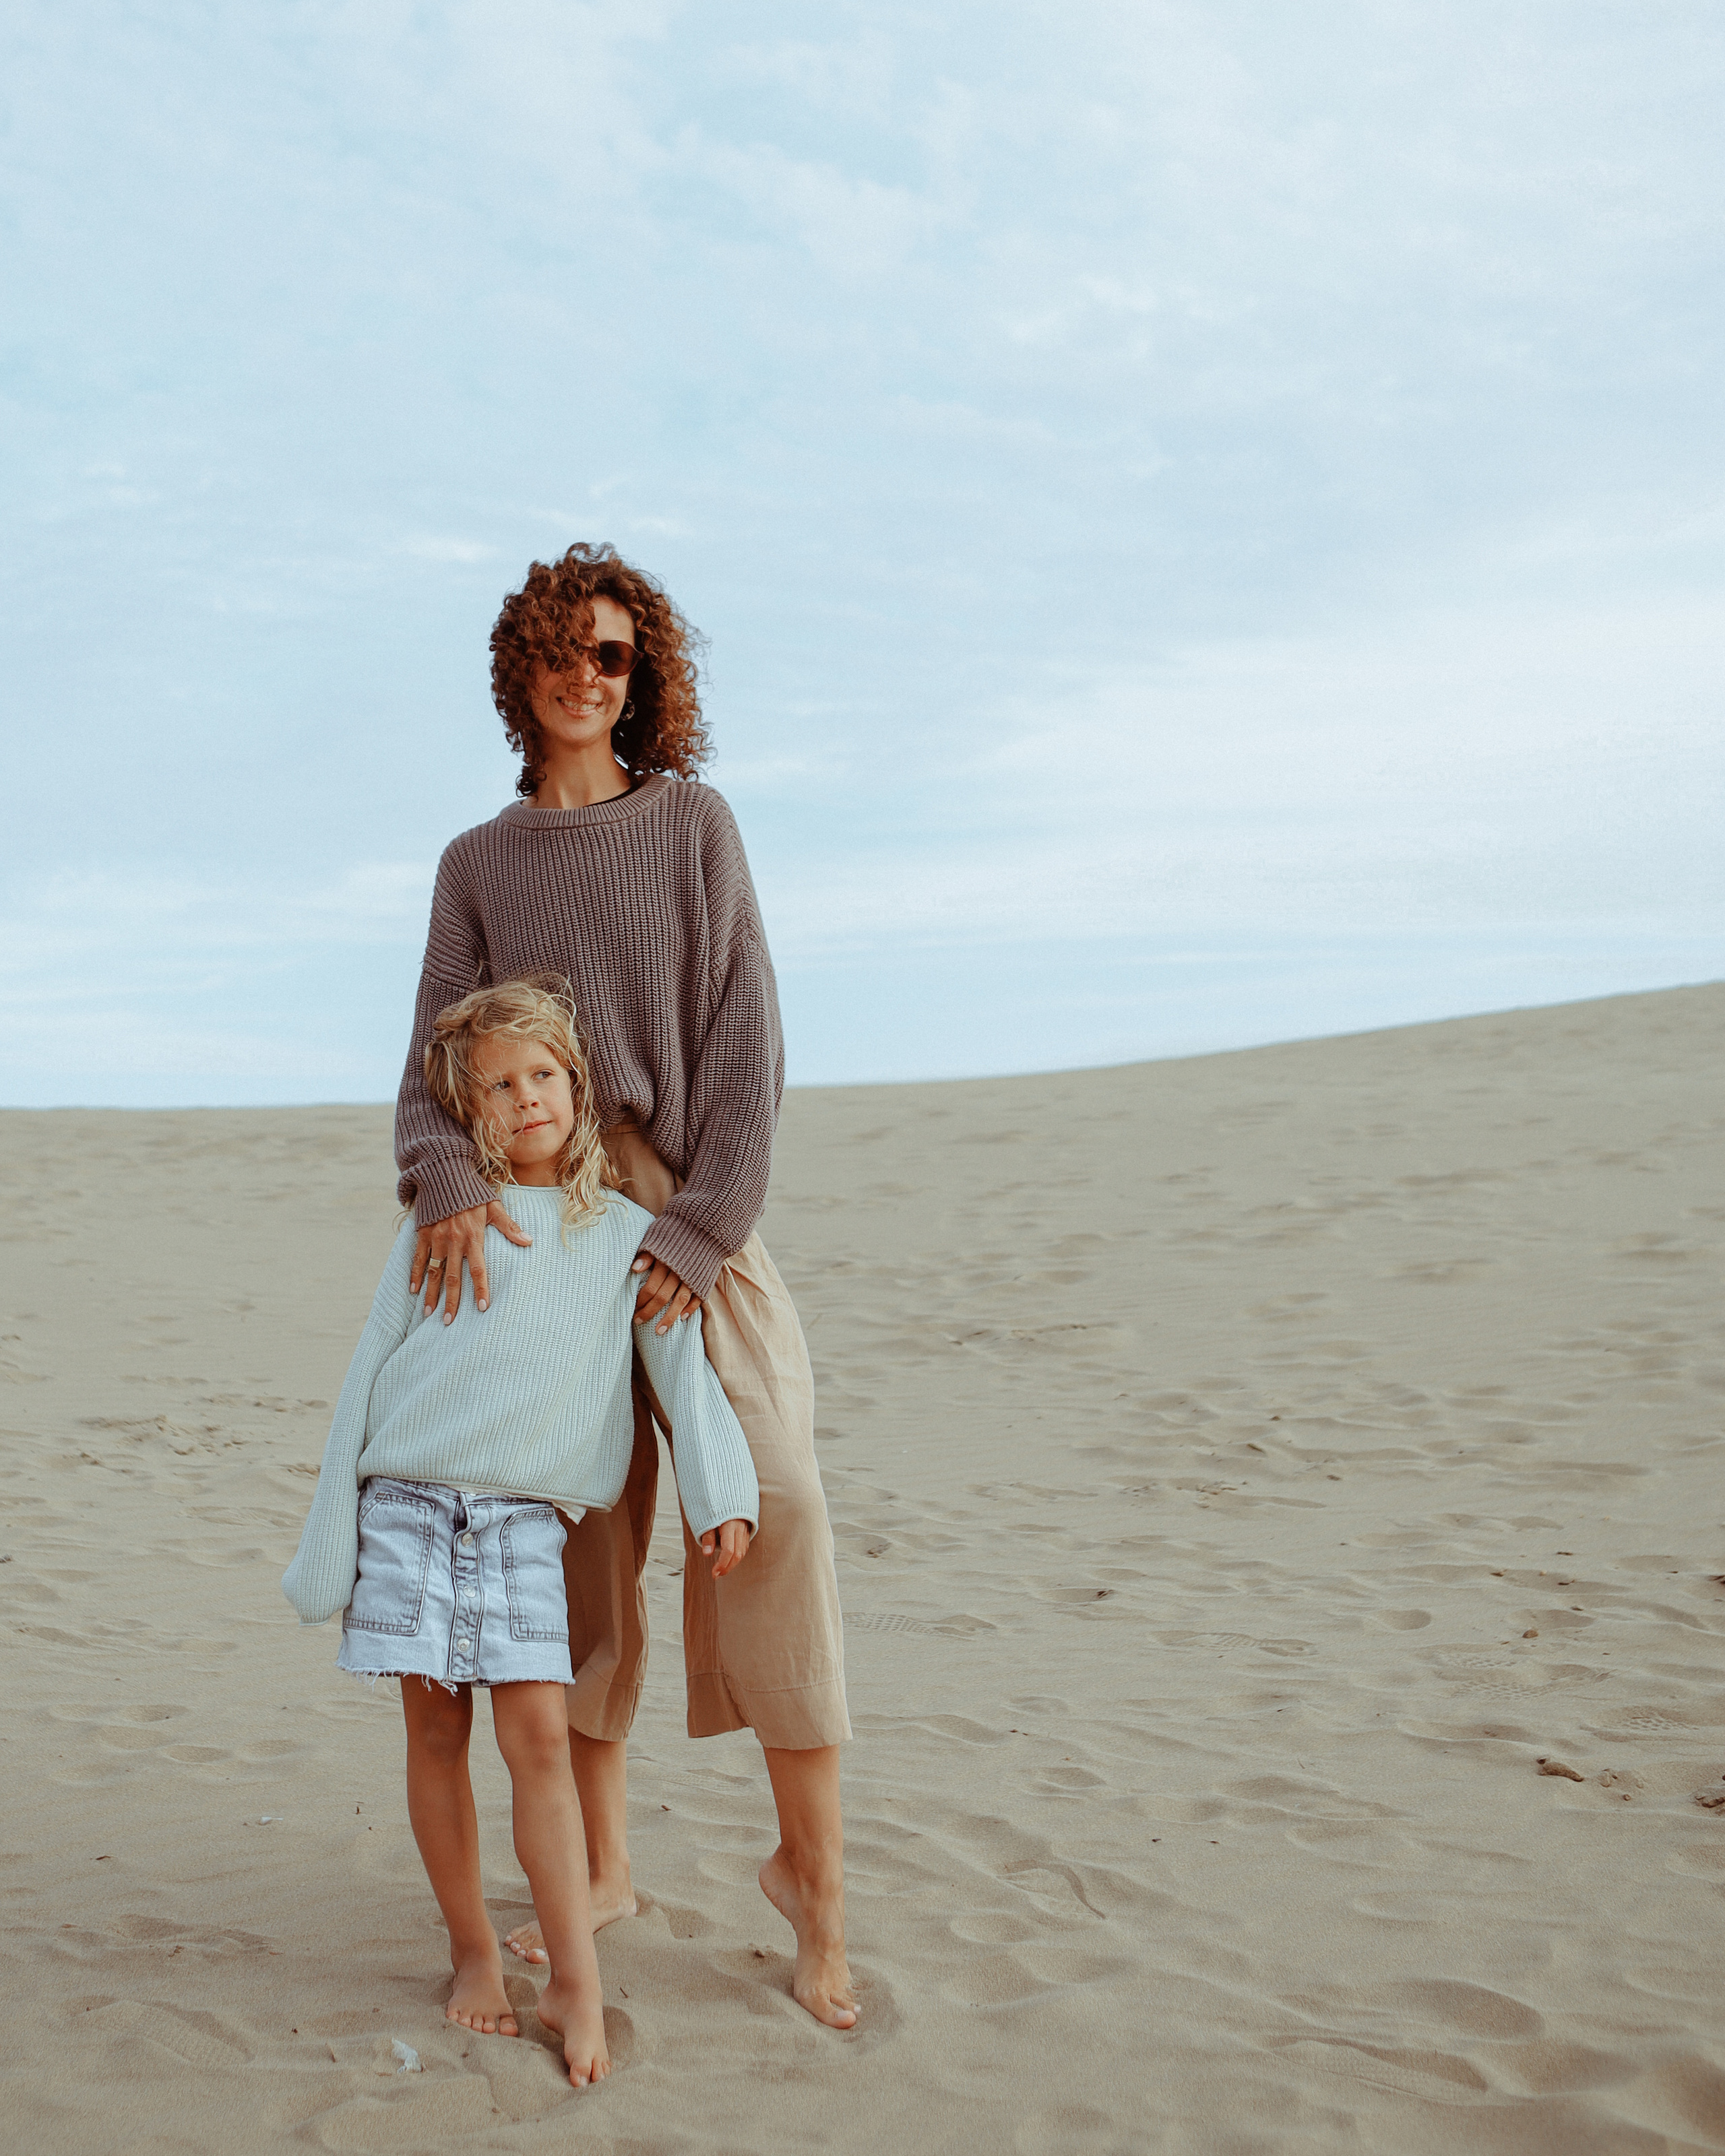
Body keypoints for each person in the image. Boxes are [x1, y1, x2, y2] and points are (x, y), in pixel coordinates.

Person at [394, 543, 856, 2029]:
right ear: (519, 671)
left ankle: (813, 1881)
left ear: (640, 674)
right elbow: (425, 1082)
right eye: (559, 651)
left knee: (774, 1500)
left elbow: (748, 1052)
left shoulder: (695, 828)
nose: (585, 676)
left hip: (691, 1222)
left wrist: (699, 1232)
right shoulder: (477, 863)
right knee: (575, 1550)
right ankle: (597, 1865)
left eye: (611, 654)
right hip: (543, 1239)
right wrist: (459, 1189)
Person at [284, 978, 759, 2087]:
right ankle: (471, 1957)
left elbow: (682, 1374)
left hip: (522, 1526)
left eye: (541, 1075)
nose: (524, 1097)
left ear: (577, 1087)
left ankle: (576, 1980)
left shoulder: (627, 1233)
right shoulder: (444, 1222)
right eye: (497, 1087)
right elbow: (368, 1371)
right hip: (407, 1501)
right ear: (468, 1113)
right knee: (436, 1742)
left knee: (538, 1741)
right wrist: (332, 1532)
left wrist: (719, 1489)